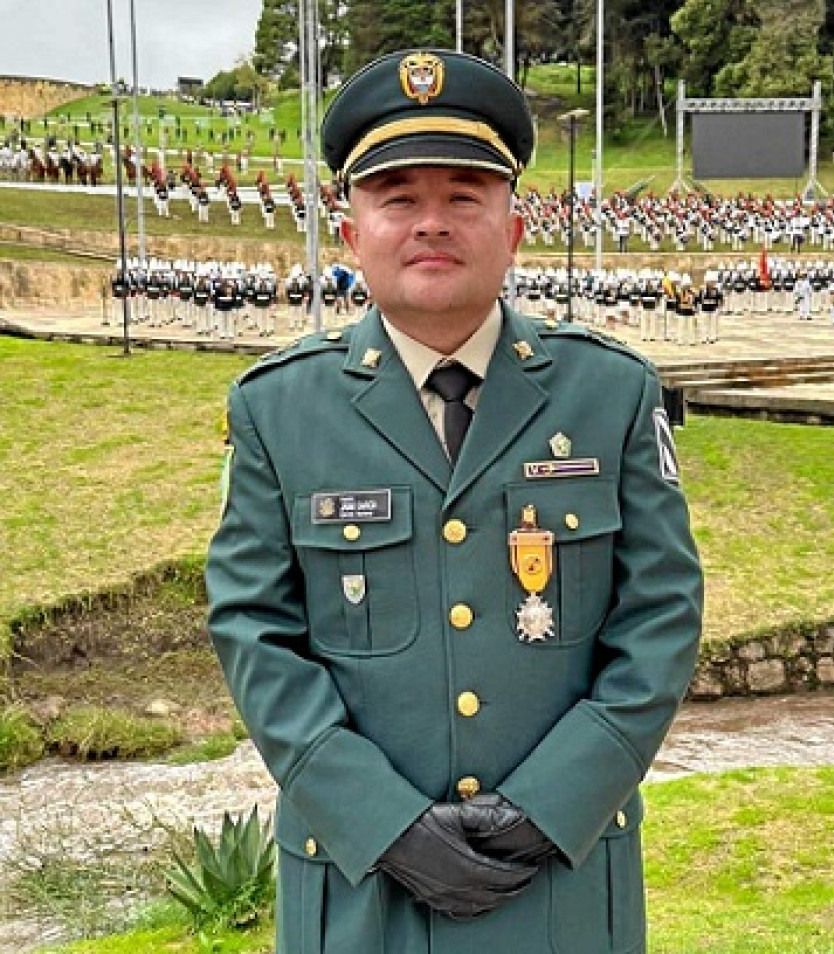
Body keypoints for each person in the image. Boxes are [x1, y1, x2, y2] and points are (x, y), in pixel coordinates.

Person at [206, 49, 703, 954]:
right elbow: (252, 629)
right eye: (397, 196)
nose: (431, 222)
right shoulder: (278, 408)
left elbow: (661, 616)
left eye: (464, 195)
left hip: (557, 877)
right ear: (351, 234)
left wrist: (556, 802)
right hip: (359, 886)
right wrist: (378, 818)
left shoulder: (610, 392)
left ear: (513, 231)